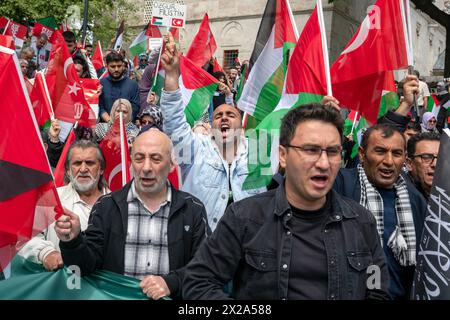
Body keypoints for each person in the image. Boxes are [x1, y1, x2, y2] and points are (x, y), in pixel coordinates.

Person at [183, 103, 390, 300]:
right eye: (310, 150)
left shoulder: (362, 222)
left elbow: (376, 287)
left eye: (333, 151)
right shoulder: (244, 218)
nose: (324, 163)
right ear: (283, 155)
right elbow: (199, 283)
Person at [55, 129, 210, 299]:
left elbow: (205, 267)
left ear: (172, 164)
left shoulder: (193, 210)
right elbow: (83, 267)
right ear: (130, 164)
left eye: (156, 159)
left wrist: (172, 282)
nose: (146, 167)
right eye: (139, 158)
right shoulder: (106, 206)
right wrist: (73, 241)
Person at [160, 33, 266, 231]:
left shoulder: (257, 152)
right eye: (218, 116)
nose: (224, 118)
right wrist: (172, 76)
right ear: (211, 127)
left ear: (241, 127)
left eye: (230, 115)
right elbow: (174, 122)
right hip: (203, 245)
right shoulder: (195, 148)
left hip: (248, 247)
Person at [333, 123, 427, 299]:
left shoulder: (415, 200)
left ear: (405, 159)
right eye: (380, 151)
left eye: (397, 153)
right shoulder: (340, 186)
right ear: (362, 154)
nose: (389, 161)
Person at [19, 140, 109, 270]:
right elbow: (25, 238)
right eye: (77, 163)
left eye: (90, 163)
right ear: (67, 171)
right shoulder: (49, 199)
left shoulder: (118, 204)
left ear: (101, 169)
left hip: (103, 288)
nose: (83, 169)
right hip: (60, 285)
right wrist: (46, 253)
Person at [99, 51, 140, 122]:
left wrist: (122, 123)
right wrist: (110, 121)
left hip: (126, 126)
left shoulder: (133, 85)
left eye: (119, 66)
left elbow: (135, 108)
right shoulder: (101, 84)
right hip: (105, 126)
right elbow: (100, 107)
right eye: (113, 66)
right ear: (107, 66)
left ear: (123, 65)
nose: (116, 69)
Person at [405, 132, 440, 200]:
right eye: (426, 157)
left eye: (440, 157)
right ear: (409, 163)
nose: (435, 164)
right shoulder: (400, 196)